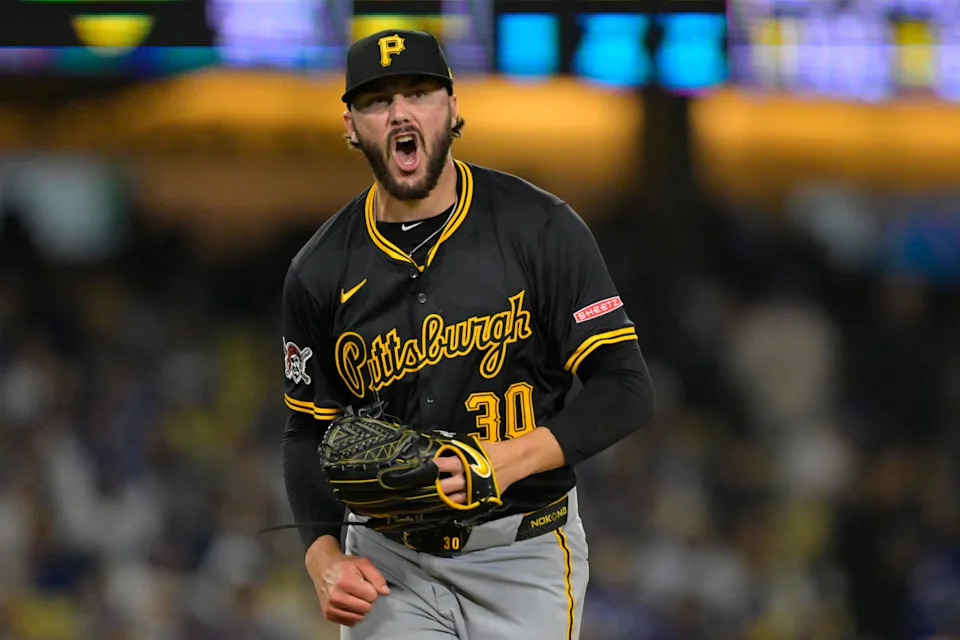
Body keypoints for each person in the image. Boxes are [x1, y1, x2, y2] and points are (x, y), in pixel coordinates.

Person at [280, 28, 655, 639]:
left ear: (453, 109)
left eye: (419, 92)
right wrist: (322, 554)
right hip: (388, 560)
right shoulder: (319, 271)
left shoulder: (540, 230)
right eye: (377, 100)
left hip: (522, 552)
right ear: (350, 125)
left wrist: (507, 460)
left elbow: (626, 388)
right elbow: (308, 430)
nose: (400, 111)